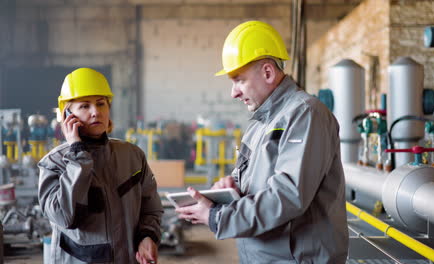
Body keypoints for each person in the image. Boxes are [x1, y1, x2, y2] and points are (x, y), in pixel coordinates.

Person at [175, 21, 349, 263]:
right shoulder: (259, 122)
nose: (233, 92)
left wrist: (218, 217)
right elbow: (249, 178)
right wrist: (231, 186)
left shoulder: (305, 114)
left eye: (239, 80)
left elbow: (288, 195)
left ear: (267, 72)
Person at [38, 68, 163, 264]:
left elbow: (151, 208)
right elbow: (65, 217)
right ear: (67, 115)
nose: (96, 112)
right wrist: (78, 155)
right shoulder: (54, 164)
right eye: (85, 106)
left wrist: (148, 235)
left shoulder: (132, 155)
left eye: (101, 104)